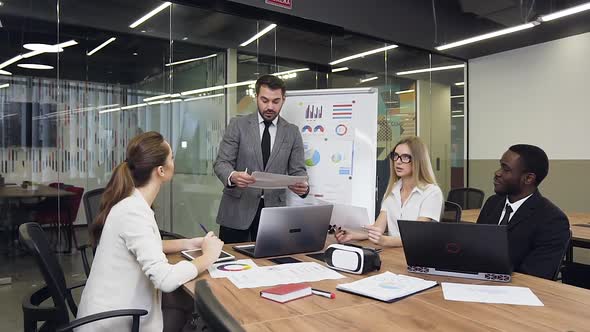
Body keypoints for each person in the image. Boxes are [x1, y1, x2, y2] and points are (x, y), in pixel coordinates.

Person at [76, 131, 224, 331]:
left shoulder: (132, 203)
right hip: (113, 322)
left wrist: (190, 243)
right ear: (161, 171)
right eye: (172, 157)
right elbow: (164, 279)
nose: (174, 161)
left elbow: (147, 247)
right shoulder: (133, 212)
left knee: (184, 304)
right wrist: (209, 256)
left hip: (115, 310)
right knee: (190, 308)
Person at [213, 74, 309, 243]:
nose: (270, 106)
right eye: (264, 100)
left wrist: (303, 187)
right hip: (237, 211)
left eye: (276, 101)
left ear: (283, 100)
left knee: (269, 266)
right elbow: (222, 163)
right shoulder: (238, 125)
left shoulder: (292, 132)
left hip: (273, 214)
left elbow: (298, 171)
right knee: (231, 266)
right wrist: (233, 176)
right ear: (256, 97)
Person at [477, 144, 570, 280]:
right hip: (477, 284)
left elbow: (536, 276)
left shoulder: (552, 220)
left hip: (516, 292)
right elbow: (476, 250)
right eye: (500, 166)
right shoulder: (493, 203)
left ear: (528, 178)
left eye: (506, 169)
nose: (497, 173)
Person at [335, 136, 443, 247]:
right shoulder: (393, 189)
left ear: (418, 160)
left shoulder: (432, 192)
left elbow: (415, 236)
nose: (398, 162)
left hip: (418, 254)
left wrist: (384, 241)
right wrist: (353, 235)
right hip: (394, 253)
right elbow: (378, 228)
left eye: (405, 157)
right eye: (395, 156)